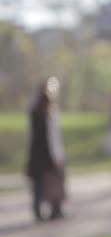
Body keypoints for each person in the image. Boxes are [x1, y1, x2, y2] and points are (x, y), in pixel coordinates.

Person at [25, 77, 67, 221]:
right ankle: (54, 209)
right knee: (52, 183)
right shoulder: (47, 114)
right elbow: (53, 138)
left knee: (40, 184)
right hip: (47, 155)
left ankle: (42, 209)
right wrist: (58, 156)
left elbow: (30, 136)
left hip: (37, 154)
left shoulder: (35, 112)